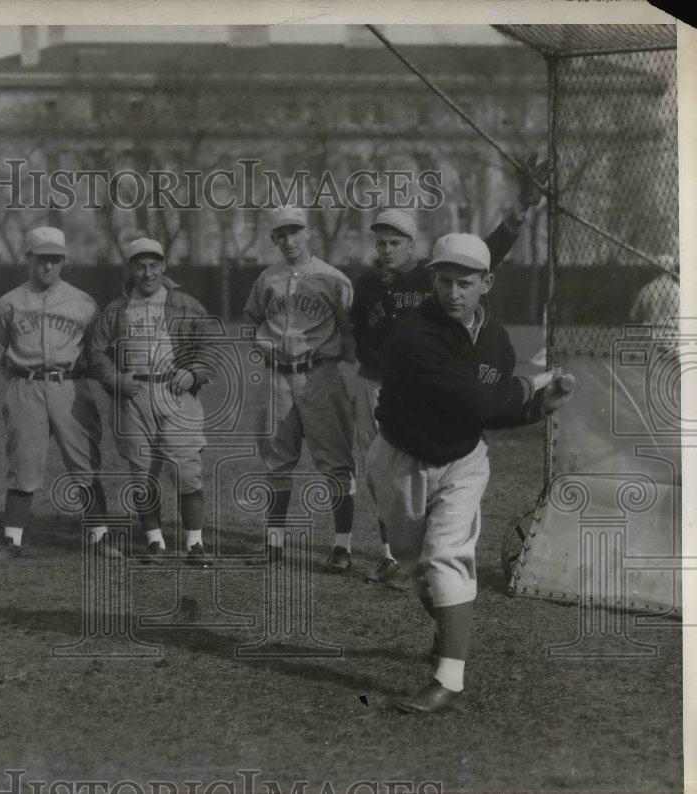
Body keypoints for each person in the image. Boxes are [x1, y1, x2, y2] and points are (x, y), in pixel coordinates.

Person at [366, 232, 574, 713]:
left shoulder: (496, 339)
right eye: (443, 281)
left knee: (445, 557)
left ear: (487, 282)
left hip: (462, 459)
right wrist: (533, 385)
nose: (453, 293)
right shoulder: (413, 332)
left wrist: (535, 409)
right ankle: (447, 637)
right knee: (415, 565)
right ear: (433, 281)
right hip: (401, 459)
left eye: (465, 282)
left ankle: (449, 678)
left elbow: (485, 411)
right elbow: (474, 399)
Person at [350, 154, 549, 583]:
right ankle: (390, 553)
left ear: (411, 244)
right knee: (379, 473)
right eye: (380, 242)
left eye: (395, 241)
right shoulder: (366, 285)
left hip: (422, 390)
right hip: (375, 383)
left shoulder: (432, 277)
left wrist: (518, 211)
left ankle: (439, 548)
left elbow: (488, 254)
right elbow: (355, 335)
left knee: (429, 464)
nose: (386, 249)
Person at [0, 226, 116, 562]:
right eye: (42, 259)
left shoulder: (84, 303)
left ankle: (100, 538)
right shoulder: (7, 304)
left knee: (84, 459)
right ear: (28, 258)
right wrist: (23, 380)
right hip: (25, 386)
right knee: (24, 462)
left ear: (63, 261)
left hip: (71, 387)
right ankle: (12, 543)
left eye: (55, 260)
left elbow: (95, 348)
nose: (48, 266)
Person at [86, 235, 215, 564]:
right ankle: (155, 542)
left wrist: (194, 373)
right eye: (141, 267)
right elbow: (97, 352)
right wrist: (115, 379)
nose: (147, 274)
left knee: (187, 470)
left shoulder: (183, 303)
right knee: (142, 474)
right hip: (133, 394)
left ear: (164, 266)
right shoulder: (117, 308)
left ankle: (194, 544)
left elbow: (210, 346)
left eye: (154, 266)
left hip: (175, 391)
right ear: (131, 269)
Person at [243, 206, 357, 571]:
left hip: (319, 375)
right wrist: (262, 345)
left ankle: (342, 547)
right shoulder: (267, 279)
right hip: (277, 376)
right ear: (274, 238)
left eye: (295, 231)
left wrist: (339, 365)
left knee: (336, 462)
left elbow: (349, 327)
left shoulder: (333, 278)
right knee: (277, 461)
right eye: (281, 233)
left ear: (308, 232)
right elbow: (253, 319)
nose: (289, 239)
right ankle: (274, 544)